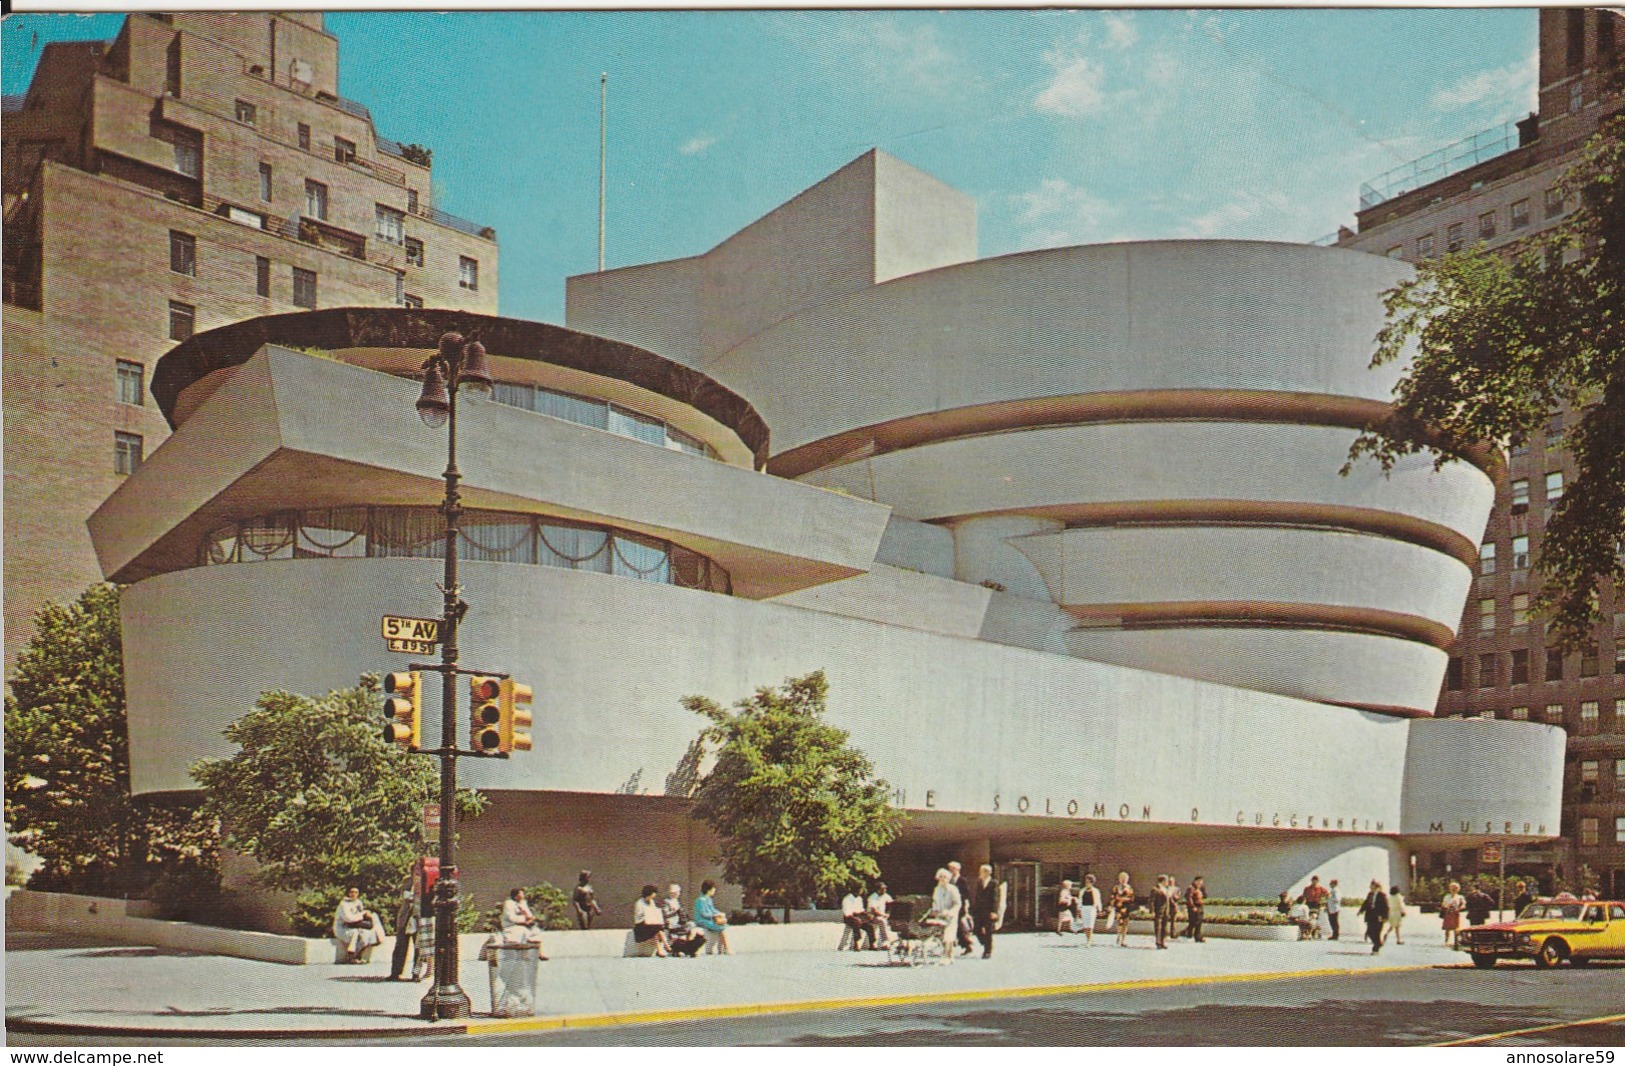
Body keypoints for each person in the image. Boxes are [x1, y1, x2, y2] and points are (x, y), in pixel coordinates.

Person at [333, 886, 383, 962]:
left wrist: (367, 915)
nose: (354, 894)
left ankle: (358, 956)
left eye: (356, 892)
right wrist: (362, 914)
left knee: (365, 934)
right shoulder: (343, 904)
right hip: (343, 928)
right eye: (352, 892)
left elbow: (361, 915)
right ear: (348, 893)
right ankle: (351, 956)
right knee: (355, 933)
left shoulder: (358, 902)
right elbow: (349, 919)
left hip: (354, 927)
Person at [926, 868, 963, 964]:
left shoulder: (953, 889)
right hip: (940, 915)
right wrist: (935, 911)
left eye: (945, 877)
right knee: (942, 936)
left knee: (949, 935)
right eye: (941, 877)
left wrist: (950, 912)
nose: (942, 879)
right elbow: (935, 902)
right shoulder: (937, 889)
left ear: (949, 878)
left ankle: (946, 956)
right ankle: (950, 955)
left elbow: (958, 903)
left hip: (951, 916)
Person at [968, 863, 1004, 959]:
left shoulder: (994, 883)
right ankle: (985, 942)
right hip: (979, 910)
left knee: (988, 931)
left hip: (988, 910)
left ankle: (987, 951)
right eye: (981, 871)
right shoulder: (979, 882)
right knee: (976, 929)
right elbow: (975, 896)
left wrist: (994, 911)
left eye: (984, 871)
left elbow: (995, 898)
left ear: (989, 872)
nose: (982, 873)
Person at [662, 883, 706, 957]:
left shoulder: (676, 901)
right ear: (674, 892)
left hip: (680, 923)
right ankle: (689, 946)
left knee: (693, 926)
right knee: (691, 925)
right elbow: (665, 914)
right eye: (678, 892)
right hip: (672, 924)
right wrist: (676, 912)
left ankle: (689, 945)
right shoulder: (667, 901)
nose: (679, 894)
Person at [501, 888, 548, 956]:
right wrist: (524, 921)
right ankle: (523, 954)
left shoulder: (523, 903)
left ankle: (539, 953)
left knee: (536, 931)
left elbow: (530, 916)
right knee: (522, 931)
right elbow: (512, 918)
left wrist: (529, 919)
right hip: (512, 926)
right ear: (516, 896)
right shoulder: (509, 903)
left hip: (525, 925)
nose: (523, 895)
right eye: (521, 894)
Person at [693, 880, 731, 955]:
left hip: (709, 919)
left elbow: (712, 910)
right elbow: (704, 913)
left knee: (723, 925)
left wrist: (719, 913)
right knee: (721, 928)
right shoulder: (700, 900)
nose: (714, 891)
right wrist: (714, 916)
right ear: (708, 890)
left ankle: (722, 948)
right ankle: (726, 948)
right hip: (702, 920)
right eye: (713, 890)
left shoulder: (709, 899)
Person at [389, 884, 419, 981]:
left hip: (419, 917)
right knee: (400, 946)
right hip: (405, 917)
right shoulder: (407, 881)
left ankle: (416, 973)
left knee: (418, 947)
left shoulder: (426, 880)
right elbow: (404, 895)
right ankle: (395, 972)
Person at [632, 884, 670, 957]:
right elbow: (639, 918)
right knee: (656, 929)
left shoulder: (651, 902)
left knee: (658, 928)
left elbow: (653, 912)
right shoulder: (639, 903)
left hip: (650, 924)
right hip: (641, 926)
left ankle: (662, 948)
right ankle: (666, 946)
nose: (654, 896)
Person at [946, 861, 973, 957]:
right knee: (955, 927)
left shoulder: (962, 880)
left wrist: (965, 906)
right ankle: (965, 943)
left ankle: (966, 943)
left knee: (958, 926)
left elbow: (966, 894)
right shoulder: (948, 880)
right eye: (949, 869)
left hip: (960, 906)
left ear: (957, 869)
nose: (950, 871)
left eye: (952, 869)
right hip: (950, 906)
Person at [1357, 879, 1390, 954]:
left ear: (1376, 887)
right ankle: (1379, 943)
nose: (1370, 887)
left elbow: (1386, 907)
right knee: (1370, 932)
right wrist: (1361, 910)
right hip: (1370, 916)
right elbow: (1366, 903)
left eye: (1372, 886)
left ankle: (1375, 949)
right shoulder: (1370, 894)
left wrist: (1384, 916)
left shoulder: (1382, 895)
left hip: (1378, 917)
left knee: (1377, 933)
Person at [840, 885, 874, 951]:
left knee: (870, 926)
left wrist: (868, 915)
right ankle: (856, 944)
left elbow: (861, 910)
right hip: (849, 917)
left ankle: (871, 944)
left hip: (858, 916)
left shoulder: (859, 898)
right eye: (860, 890)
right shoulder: (847, 899)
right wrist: (856, 918)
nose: (861, 891)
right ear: (856, 890)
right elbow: (847, 913)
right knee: (857, 923)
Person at [1109, 872, 1135, 947]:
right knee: (1119, 923)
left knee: (1125, 924)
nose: (1123, 880)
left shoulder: (1129, 888)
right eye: (1122, 878)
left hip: (1126, 908)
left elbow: (1132, 898)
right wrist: (1112, 905)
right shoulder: (1116, 887)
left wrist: (1124, 899)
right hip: (1118, 908)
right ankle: (1119, 936)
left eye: (1125, 879)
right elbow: (1112, 897)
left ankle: (1123, 939)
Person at [1077, 874, 1102, 946]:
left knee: (1090, 924)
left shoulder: (1095, 891)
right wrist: (1079, 910)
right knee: (1085, 925)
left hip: (1091, 908)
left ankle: (1089, 940)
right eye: (1086, 882)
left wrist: (1099, 909)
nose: (1087, 883)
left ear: (1092, 882)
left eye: (1089, 882)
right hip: (1084, 908)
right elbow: (1080, 901)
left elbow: (1098, 900)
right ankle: (1087, 938)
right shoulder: (1082, 890)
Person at [867, 881, 894, 947]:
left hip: (883, 916)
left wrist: (888, 913)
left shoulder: (886, 896)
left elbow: (891, 905)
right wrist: (883, 915)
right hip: (872, 916)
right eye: (883, 889)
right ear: (878, 890)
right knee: (882, 921)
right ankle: (885, 942)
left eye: (885, 888)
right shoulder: (872, 897)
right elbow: (874, 910)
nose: (885, 890)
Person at [1439, 882, 1466, 947]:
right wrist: (1447, 906)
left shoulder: (1460, 897)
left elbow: (1464, 905)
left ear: (1458, 889)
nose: (1454, 889)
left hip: (1455, 913)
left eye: (1455, 888)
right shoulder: (1447, 896)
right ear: (1450, 889)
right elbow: (1443, 904)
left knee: (1456, 927)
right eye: (1452, 888)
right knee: (1447, 928)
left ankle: (1456, 941)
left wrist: (1459, 908)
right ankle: (1446, 941)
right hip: (1448, 913)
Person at [1151, 875, 1173, 949]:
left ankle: (1163, 941)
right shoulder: (1155, 889)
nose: (1168, 883)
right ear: (1163, 881)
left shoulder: (1166, 889)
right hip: (1158, 911)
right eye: (1166, 881)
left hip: (1165, 911)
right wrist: (1152, 911)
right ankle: (1158, 942)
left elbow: (1169, 901)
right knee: (1158, 927)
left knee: (1164, 927)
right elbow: (1151, 901)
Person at [1184, 875, 1206, 943]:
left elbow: (1205, 896)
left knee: (1199, 921)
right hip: (1194, 906)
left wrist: (1202, 890)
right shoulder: (1191, 888)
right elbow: (1189, 897)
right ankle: (1190, 933)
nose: (1200, 883)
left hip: (1200, 906)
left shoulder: (1200, 888)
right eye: (1199, 881)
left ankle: (1196, 936)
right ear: (1195, 881)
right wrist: (1192, 906)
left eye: (1201, 881)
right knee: (1195, 922)